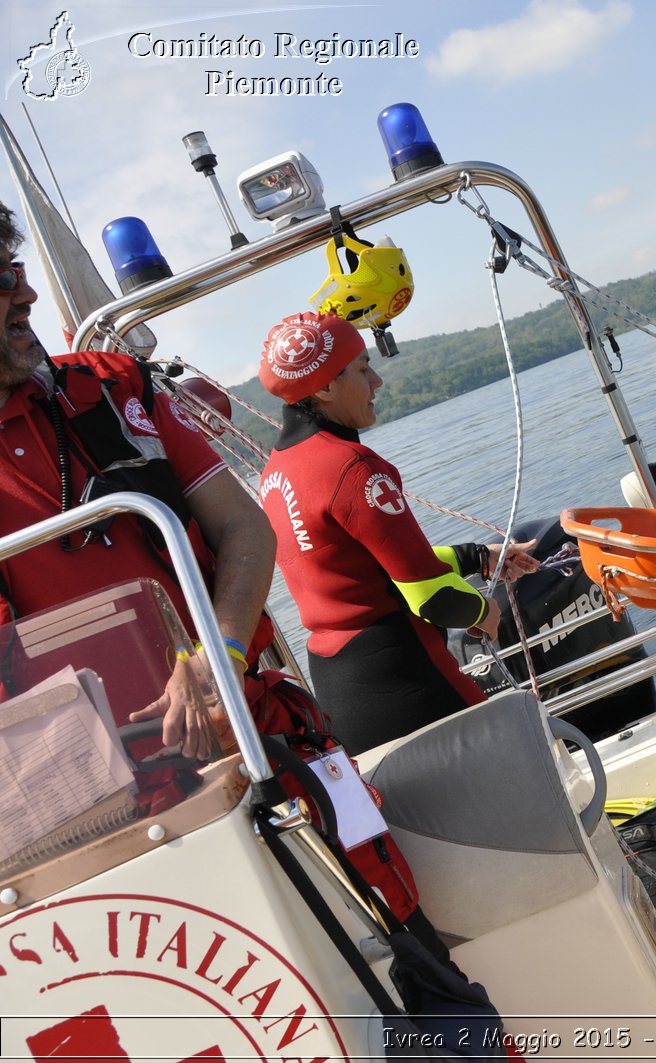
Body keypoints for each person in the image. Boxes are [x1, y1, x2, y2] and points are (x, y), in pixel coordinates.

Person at [0, 201, 277, 763]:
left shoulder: (113, 386)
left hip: (249, 735)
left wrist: (218, 657)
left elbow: (244, 525)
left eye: (18, 271)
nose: (25, 295)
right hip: (92, 808)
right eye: (2, 280)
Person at [256, 310, 536, 754]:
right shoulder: (354, 468)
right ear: (324, 386)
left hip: (340, 690)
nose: (378, 382)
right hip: (407, 675)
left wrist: (476, 557)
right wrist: (483, 610)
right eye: (364, 369)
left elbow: (367, 574)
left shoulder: (274, 475)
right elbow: (430, 596)